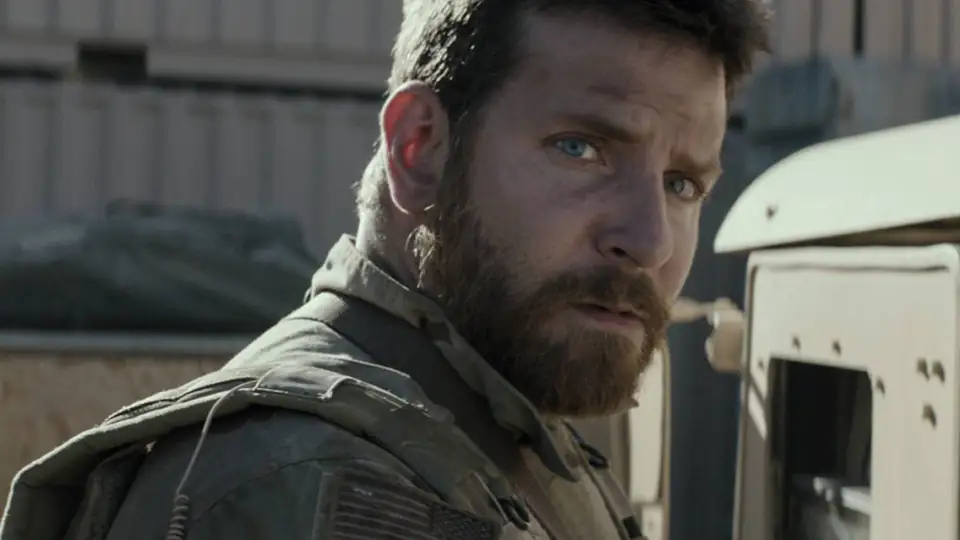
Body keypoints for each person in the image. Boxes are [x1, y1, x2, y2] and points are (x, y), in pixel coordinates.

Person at [1, 1, 770, 539]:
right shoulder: (310, 487)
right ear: (419, 148)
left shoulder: (507, 432)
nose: (650, 241)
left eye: (682, 184)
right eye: (582, 148)